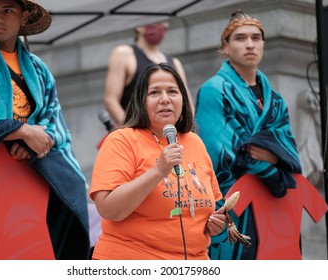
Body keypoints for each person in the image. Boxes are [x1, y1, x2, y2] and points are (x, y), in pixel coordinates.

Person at [0, 0, 89, 260]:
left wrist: (30, 145)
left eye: (7, 11)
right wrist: (23, 132)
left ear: (23, 17)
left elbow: (53, 118)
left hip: (28, 167)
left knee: (32, 242)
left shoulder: (38, 68)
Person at [194, 10, 302, 260]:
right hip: (233, 203)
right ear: (226, 46)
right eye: (240, 38)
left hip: (274, 203)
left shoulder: (275, 99)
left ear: (264, 44)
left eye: (256, 37)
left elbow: (288, 147)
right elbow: (217, 150)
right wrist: (271, 163)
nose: (250, 44)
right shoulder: (213, 90)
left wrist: (275, 157)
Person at [90, 63, 226, 260]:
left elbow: (210, 206)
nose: (165, 99)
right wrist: (158, 171)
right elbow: (108, 209)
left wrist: (216, 223)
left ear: (183, 99)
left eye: (172, 91)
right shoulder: (122, 140)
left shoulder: (194, 141)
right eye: (154, 93)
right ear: (140, 101)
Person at [104, 21, 194, 127]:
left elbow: (188, 104)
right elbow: (111, 101)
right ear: (138, 26)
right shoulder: (124, 54)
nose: (160, 25)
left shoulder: (175, 63)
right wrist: (131, 131)